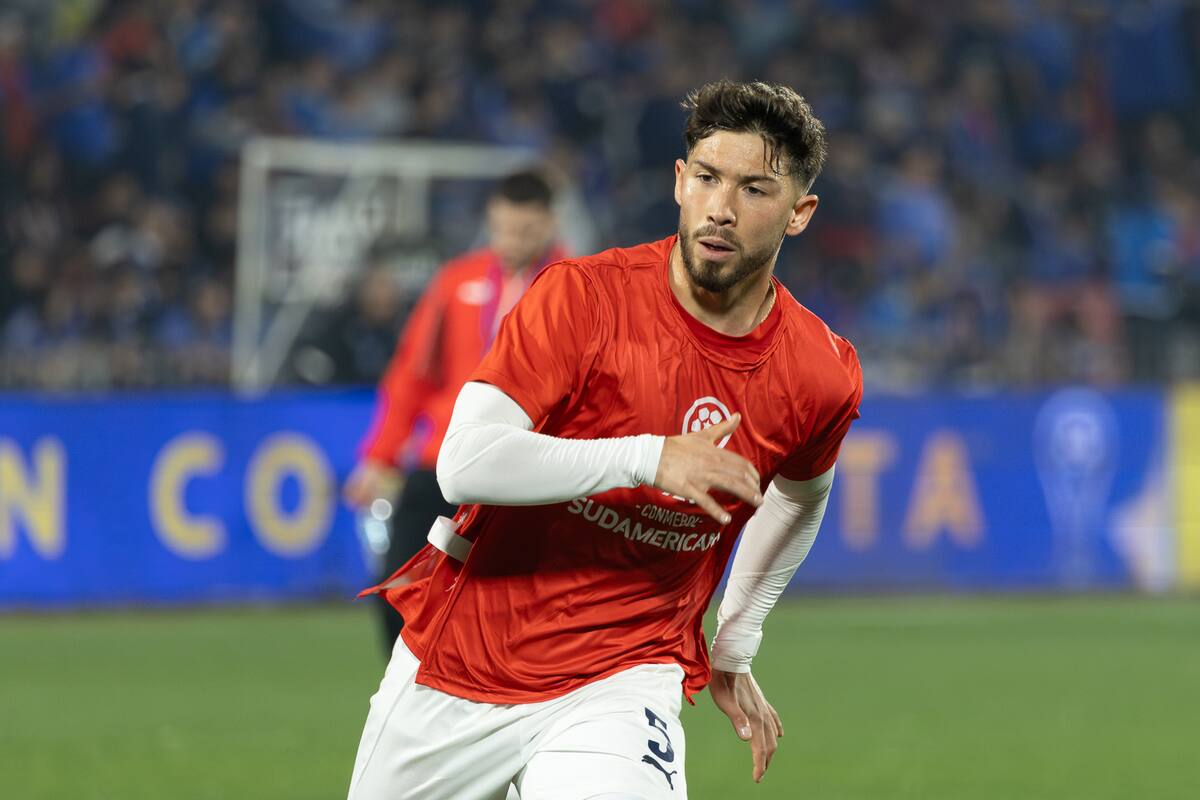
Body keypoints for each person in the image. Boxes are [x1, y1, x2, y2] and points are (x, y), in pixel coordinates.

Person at [348, 80, 863, 800]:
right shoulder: (580, 298)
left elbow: (801, 497)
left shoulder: (820, 372)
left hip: (624, 675)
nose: (721, 207)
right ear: (680, 183)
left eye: (755, 189)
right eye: (708, 179)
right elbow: (465, 462)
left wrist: (736, 639)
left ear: (799, 213)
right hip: (462, 659)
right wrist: (650, 456)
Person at [343, 169, 563, 654]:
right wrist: (379, 457)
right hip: (442, 460)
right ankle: (408, 703)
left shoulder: (574, 286)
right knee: (399, 587)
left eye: (524, 231)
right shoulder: (455, 282)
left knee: (513, 608)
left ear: (549, 224)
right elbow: (412, 375)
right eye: (502, 229)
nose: (510, 242)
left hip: (525, 469)